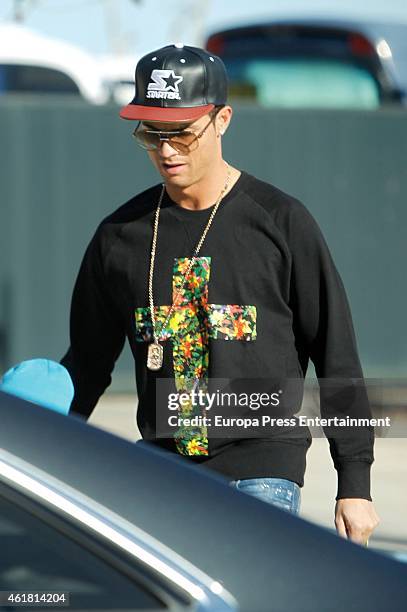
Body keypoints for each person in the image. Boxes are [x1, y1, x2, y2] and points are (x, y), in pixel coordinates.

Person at [61, 44, 379, 544]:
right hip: (160, 468)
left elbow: (335, 353)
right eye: (152, 134)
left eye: (182, 133)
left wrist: (354, 482)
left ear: (222, 119)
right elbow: (86, 363)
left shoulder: (280, 222)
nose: (167, 150)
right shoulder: (119, 236)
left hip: (261, 464)